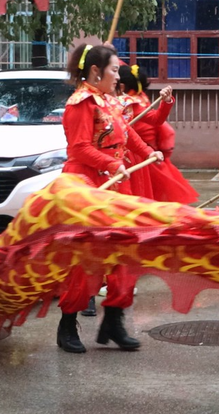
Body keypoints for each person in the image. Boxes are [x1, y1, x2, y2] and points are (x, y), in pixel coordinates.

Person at [57, 43, 163, 353]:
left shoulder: (109, 101)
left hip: (115, 185)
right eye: (114, 70)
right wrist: (111, 163)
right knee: (86, 257)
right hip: (88, 186)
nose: (118, 76)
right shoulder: (80, 103)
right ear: (95, 71)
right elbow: (79, 148)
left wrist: (149, 152)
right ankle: (67, 323)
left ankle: (114, 321)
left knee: (124, 253)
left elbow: (128, 135)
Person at [117, 65, 197, 204]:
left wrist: (166, 102)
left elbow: (155, 119)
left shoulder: (128, 103)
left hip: (132, 156)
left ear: (122, 86)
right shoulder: (98, 102)